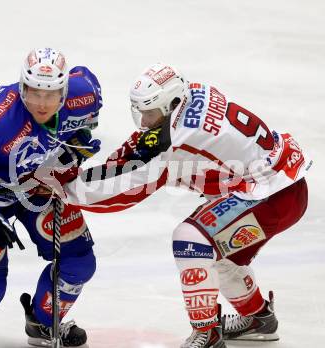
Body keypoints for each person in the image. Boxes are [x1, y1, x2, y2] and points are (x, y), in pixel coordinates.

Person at [61, 63, 312, 348]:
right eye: (140, 112)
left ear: (171, 105)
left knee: (191, 240)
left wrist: (67, 189)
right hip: (284, 187)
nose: (144, 121)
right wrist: (109, 164)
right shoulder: (191, 94)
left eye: (150, 113)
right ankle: (257, 318)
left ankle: (207, 333)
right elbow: (142, 145)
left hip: (271, 195)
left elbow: (126, 189)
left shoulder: (177, 140)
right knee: (218, 253)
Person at [0, 47, 102, 347]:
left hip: (36, 189)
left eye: (50, 94)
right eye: (34, 92)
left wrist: (72, 152)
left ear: (64, 91)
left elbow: (83, 128)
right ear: (22, 85)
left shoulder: (83, 95)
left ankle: (42, 322)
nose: (42, 103)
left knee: (80, 262)